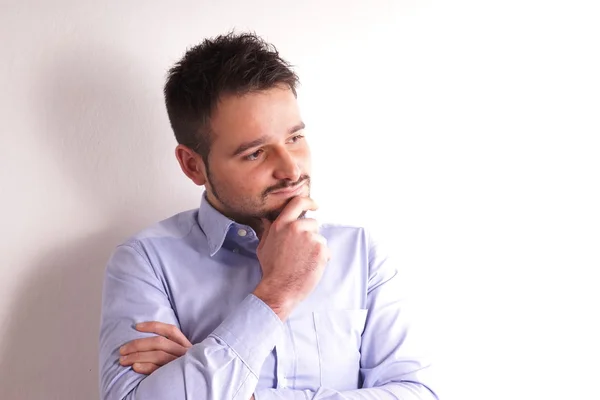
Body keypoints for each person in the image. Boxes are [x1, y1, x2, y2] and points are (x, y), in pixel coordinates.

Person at [98, 32, 437, 400]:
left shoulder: (361, 253)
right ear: (193, 165)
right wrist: (276, 294)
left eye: (294, 138)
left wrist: (225, 384)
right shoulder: (145, 262)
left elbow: (419, 393)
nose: (291, 170)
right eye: (256, 153)